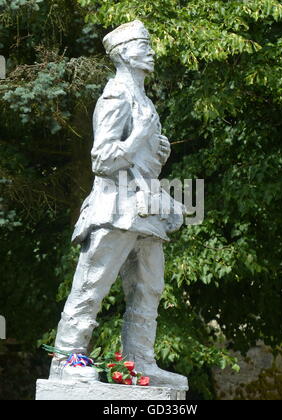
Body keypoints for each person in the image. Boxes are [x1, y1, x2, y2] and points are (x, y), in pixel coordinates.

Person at [49, 20, 188, 390]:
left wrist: (158, 153)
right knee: (93, 282)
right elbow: (102, 160)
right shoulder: (114, 95)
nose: (151, 51)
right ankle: (67, 357)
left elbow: (141, 164)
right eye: (145, 45)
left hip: (145, 208)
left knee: (149, 287)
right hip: (115, 207)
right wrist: (138, 138)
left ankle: (140, 361)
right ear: (125, 53)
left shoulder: (144, 100)